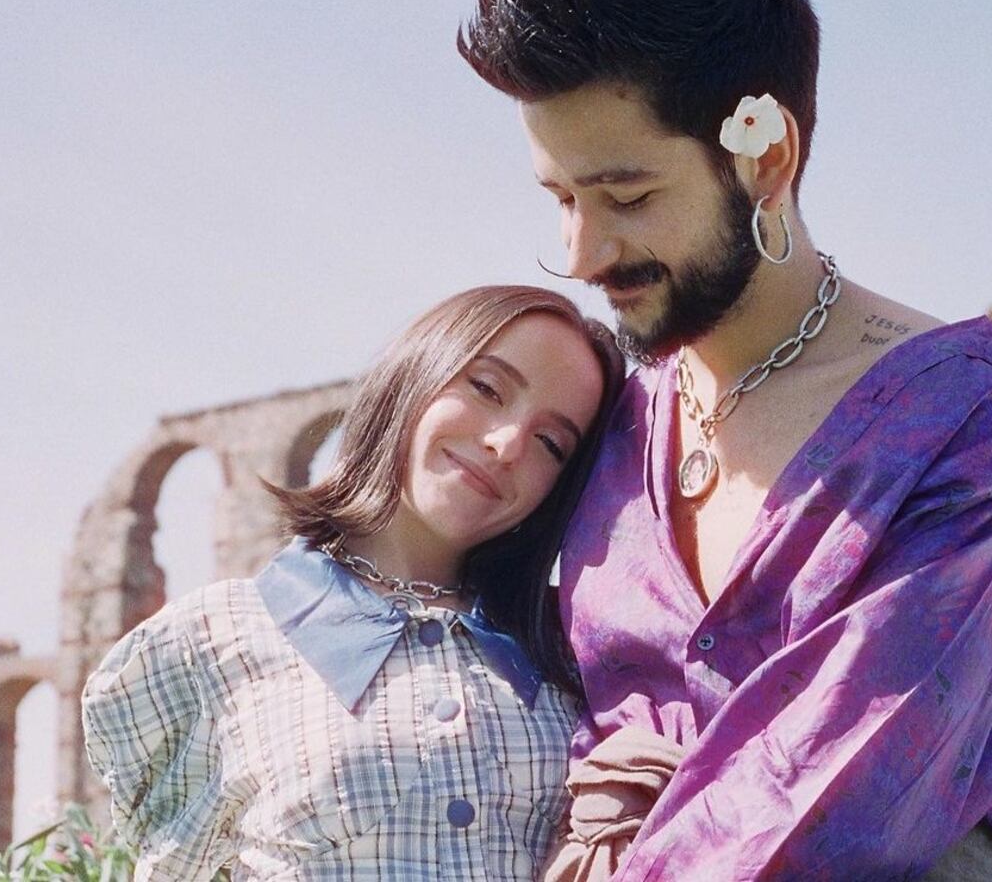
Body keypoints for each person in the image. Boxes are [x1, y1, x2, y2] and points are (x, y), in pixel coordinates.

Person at [459, 0, 992, 879]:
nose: (581, 254)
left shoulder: (971, 442)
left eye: (629, 197)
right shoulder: (603, 422)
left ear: (764, 158)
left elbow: (828, 807)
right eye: (563, 198)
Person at [81, 285, 625, 880]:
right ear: (415, 374)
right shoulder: (212, 641)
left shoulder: (576, 650)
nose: (506, 443)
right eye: (487, 388)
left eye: (551, 443)